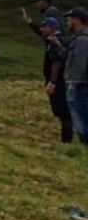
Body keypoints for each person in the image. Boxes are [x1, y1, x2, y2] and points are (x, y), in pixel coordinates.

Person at [46, 7, 88, 145]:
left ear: (77, 20)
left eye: (69, 19)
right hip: (78, 87)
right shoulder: (78, 39)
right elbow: (70, 58)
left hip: (80, 87)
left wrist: (72, 85)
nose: (67, 22)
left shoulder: (82, 40)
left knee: (82, 122)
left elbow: (80, 65)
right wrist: (58, 45)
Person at [37, 15, 74, 144]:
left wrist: (52, 82)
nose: (41, 29)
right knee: (60, 110)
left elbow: (56, 62)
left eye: (44, 26)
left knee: (62, 110)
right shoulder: (51, 41)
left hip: (59, 82)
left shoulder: (56, 41)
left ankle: (67, 139)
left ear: (52, 28)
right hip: (59, 81)